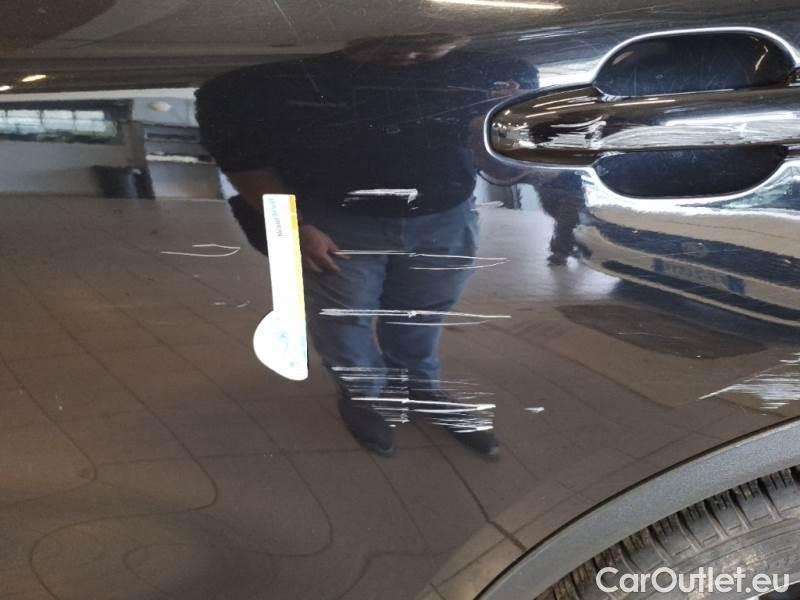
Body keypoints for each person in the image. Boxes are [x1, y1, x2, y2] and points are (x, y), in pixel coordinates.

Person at [196, 33, 537, 456]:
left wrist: (498, 128)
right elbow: (242, 162)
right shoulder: (276, 78)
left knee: (423, 313)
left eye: (432, 42)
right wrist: (294, 227)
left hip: (444, 218)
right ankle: (362, 395)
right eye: (385, 41)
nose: (408, 53)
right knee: (344, 317)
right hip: (334, 220)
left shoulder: (494, 74)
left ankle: (418, 388)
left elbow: (505, 172)